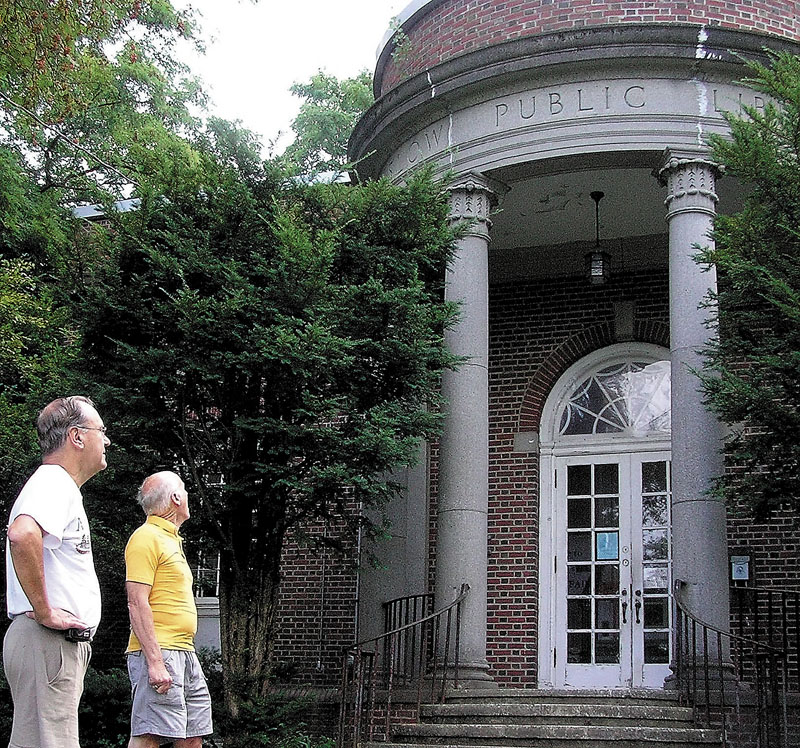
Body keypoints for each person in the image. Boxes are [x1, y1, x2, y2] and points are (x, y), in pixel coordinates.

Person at [4, 395, 110, 748]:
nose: (106, 440)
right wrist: (45, 611)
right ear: (76, 437)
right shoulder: (53, 481)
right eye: (101, 430)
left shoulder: (56, 485)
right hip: (47, 644)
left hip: (50, 648)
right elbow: (22, 534)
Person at [125, 471, 213, 748]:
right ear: (176, 497)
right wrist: (154, 662)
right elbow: (136, 602)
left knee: (192, 735)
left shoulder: (171, 539)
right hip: (160, 651)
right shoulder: (145, 537)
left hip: (185, 651)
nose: (188, 495)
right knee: (149, 734)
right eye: (184, 490)